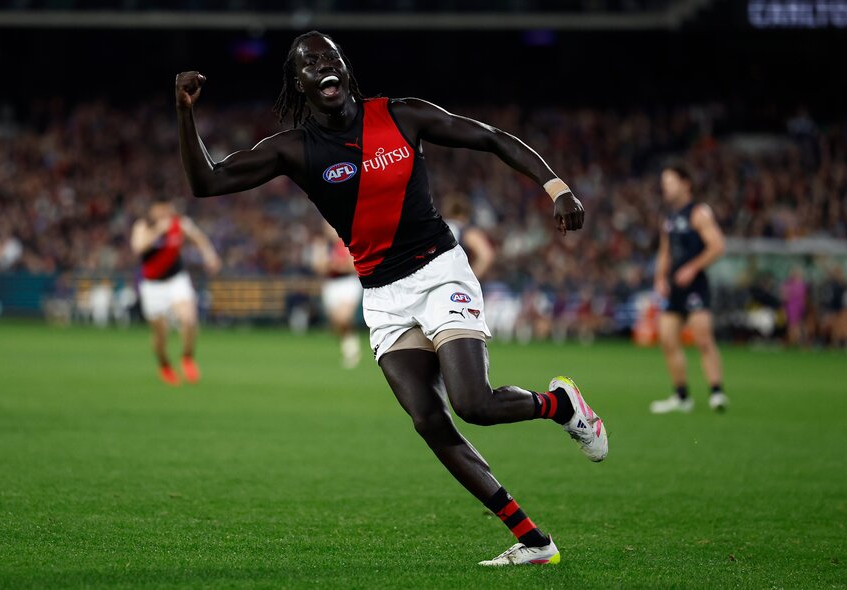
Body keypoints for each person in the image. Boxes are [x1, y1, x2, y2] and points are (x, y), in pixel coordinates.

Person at [175, 31, 608, 566]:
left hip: (439, 273)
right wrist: (184, 112)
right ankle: (533, 541)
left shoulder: (402, 115)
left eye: (330, 56)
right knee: (429, 420)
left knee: (473, 404)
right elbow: (207, 183)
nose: (322, 65)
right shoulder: (295, 148)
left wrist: (555, 185)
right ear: (299, 83)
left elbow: (492, 137)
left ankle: (561, 405)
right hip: (382, 295)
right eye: (309, 62)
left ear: (346, 70)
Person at [650, 163, 728, 414]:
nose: (665, 187)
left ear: (686, 183)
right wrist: (660, 278)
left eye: (670, 182)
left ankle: (716, 393)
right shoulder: (669, 218)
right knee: (668, 338)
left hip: (695, 284)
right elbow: (665, 252)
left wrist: (692, 268)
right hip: (675, 287)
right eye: (664, 183)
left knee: (703, 337)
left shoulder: (698, 213)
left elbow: (717, 246)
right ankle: (681, 396)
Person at [130, 199, 221, 385]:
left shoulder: (180, 223)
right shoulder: (143, 226)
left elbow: (199, 238)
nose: (164, 213)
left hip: (176, 279)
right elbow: (138, 248)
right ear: (152, 210)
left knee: (189, 319)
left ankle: (187, 357)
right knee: (160, 335)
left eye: (167, 208)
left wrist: (210, 255)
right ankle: (164, 365)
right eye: (160, 209)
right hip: (152, 285)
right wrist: (158, 231)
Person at [311, 223, 364, 368]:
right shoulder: (322, 244)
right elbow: (318, 267)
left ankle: (351, 349)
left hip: (347, 282)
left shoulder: (346, 243)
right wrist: (333, 265)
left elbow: (351, 265)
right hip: (330, 284)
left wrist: (332, 265)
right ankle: (350, 345)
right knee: (337, 322)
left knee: (344, 317)